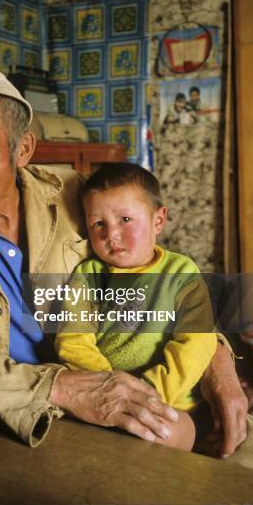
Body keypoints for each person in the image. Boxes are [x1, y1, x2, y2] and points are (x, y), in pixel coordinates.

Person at [0, 62, 252, 464]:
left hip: (130, 387)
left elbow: (163, 283)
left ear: (22, 149)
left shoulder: (77, 194)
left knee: (244, 459)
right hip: (23, 411)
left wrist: (219, 365)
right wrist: (60, 387)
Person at [55, 164, 217, 451]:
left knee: (161, 439)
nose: (111, 234)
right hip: (105, 402)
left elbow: (197, 341)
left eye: (125, 219)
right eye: (98, 224)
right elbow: (73, 341)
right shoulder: (87, 276)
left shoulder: (182, 272)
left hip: (172, 401)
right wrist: (111, 391)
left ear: (158, 220)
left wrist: (151, 392)